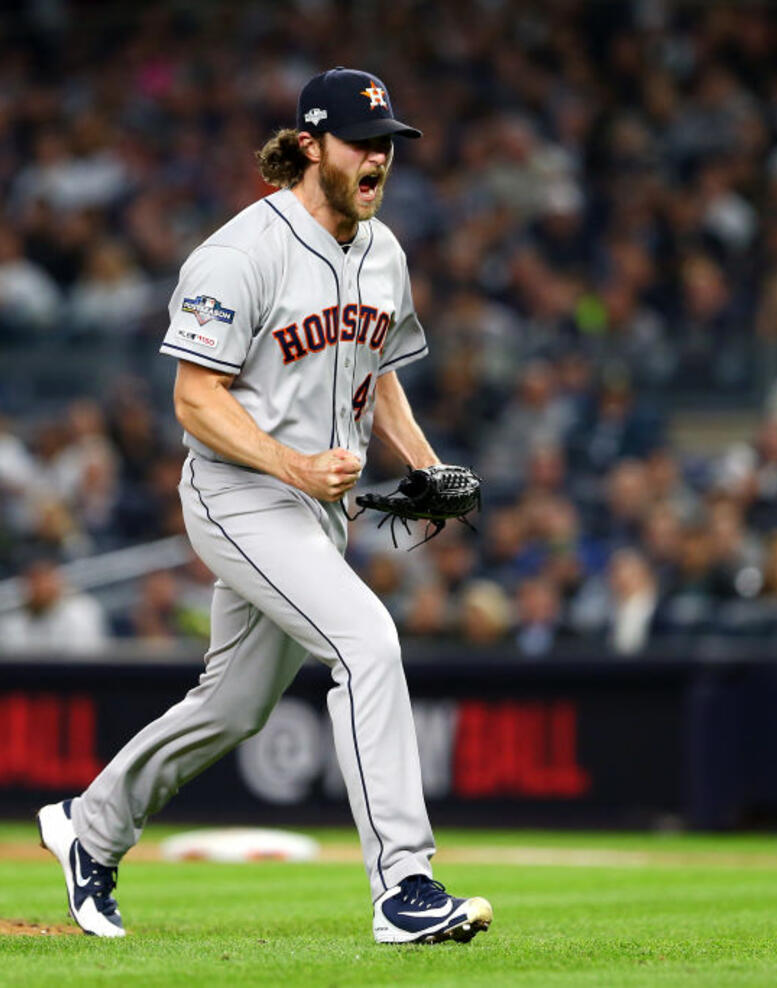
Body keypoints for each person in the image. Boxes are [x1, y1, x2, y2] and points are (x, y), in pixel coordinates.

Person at [35, 68, 491, 945]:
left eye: (389, 144)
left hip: (316, 508)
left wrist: (428, 464)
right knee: (367, 643)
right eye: (363, 143)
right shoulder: (242, 252)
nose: (379, 160)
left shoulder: (382, 250)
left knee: (235, 705)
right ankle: (406, 884)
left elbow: (378, 369)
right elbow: (194, 398)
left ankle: (88, 828)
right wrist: (286, 461)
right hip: (237, 491)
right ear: (310, 144)